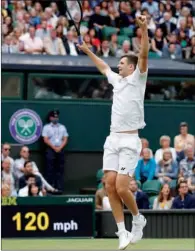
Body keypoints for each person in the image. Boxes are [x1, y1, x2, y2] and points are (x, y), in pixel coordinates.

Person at [77, 15, 149, 250]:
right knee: (108, 185)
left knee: (121, 187)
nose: (118, 65)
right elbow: (103, 66)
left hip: (130, 139)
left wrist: (144, 29)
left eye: (122, 63)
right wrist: (88, 50)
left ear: (131, 66)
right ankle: (122, 232)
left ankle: (138, 218)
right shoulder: (117, 81)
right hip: (113, 138)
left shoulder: (139, 78)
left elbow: (144, 55)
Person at [42, 110, 69, 191]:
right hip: (50, 149)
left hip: (60, 149)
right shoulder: (46, 127)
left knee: (60, 169)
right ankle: (50, 188)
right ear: (50, 118)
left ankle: (59, 188)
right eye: (54, 117)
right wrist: (54, 148)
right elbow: (45, 139)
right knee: (49, 169)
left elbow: (65, 138)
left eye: (57, 117)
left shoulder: (62, 127)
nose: (56, 118)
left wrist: (60, 147)